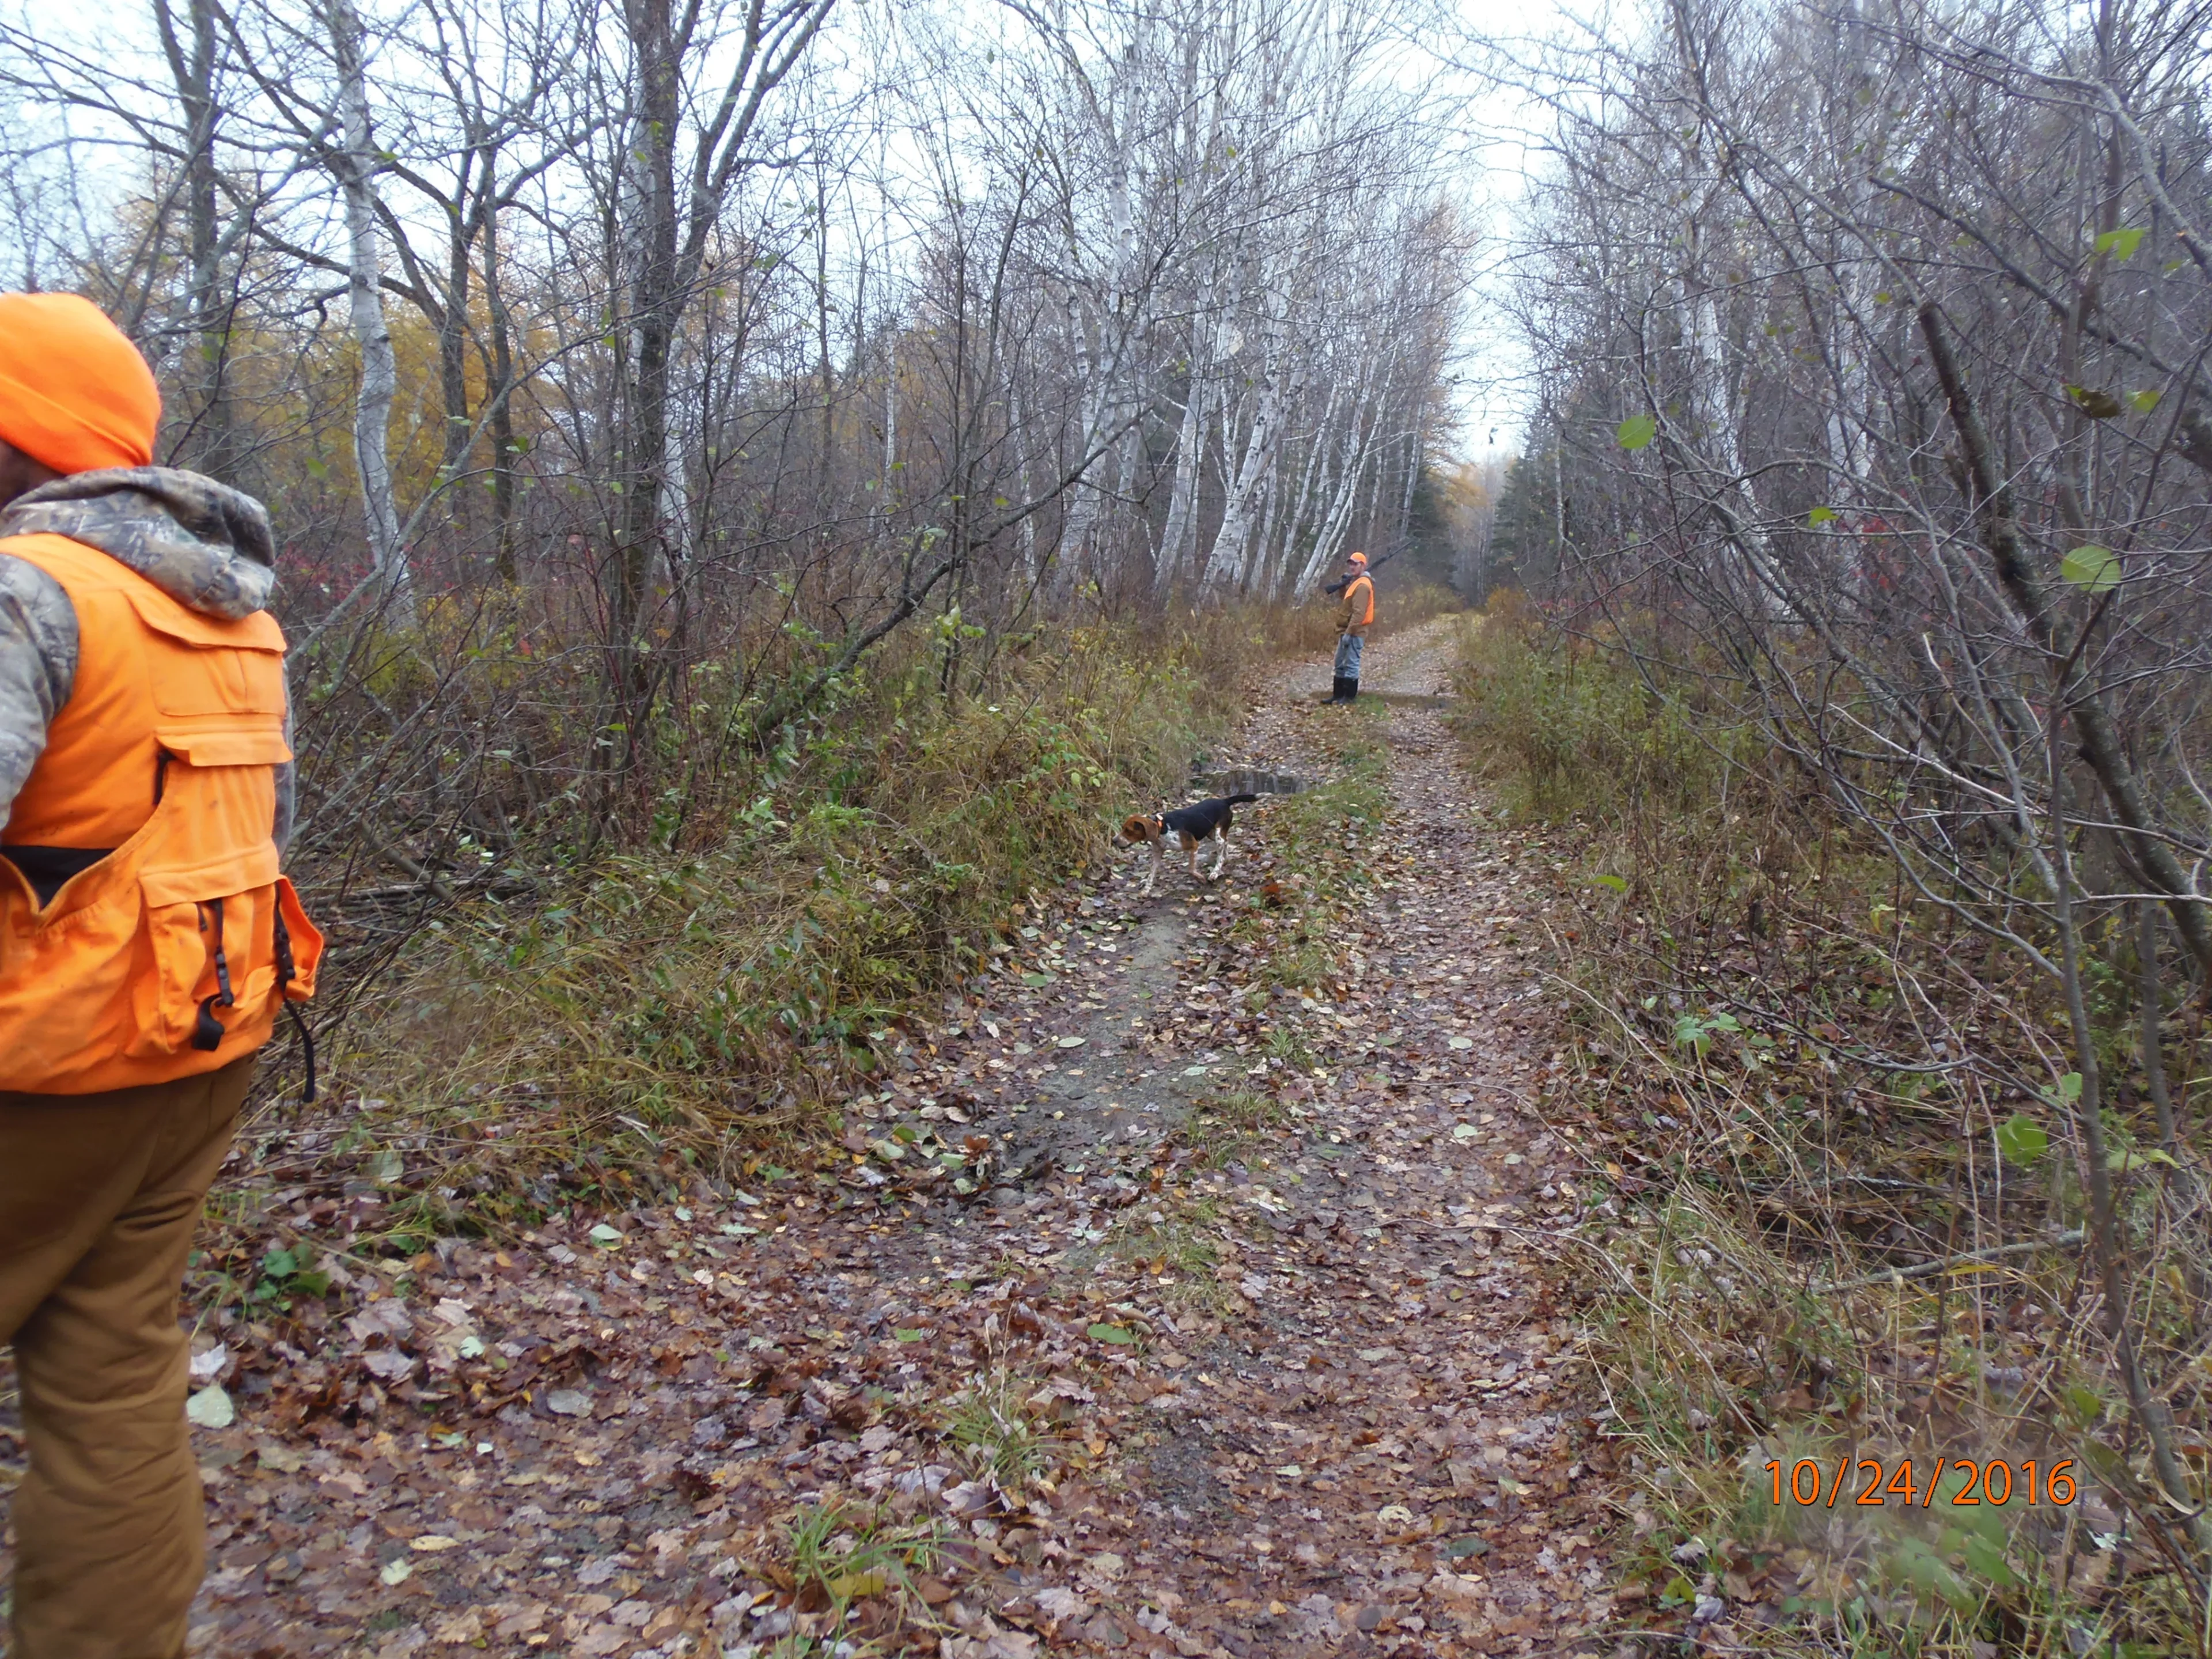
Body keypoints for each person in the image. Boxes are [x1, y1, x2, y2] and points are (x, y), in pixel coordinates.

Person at [0, 292, 323, 1659]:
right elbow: (270, 834)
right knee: (114, 1380)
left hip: (45, 1069)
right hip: (196, 1051)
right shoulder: (230, 614)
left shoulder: (34, 590)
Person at [1328, 548, 1375, 703]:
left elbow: (1359, 613)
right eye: (1351, 564)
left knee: (1351, 665)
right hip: (1346, 630)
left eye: (1355, 564)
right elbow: (1346, 602)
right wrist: (1342, 585)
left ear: (1363, 566)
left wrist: (1349, 633)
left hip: (1354, 631)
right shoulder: (1356, 583)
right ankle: (1338, 696)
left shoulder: (1363, 586)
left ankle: (1348, 698)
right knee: (1340, 664)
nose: (1352, 567)